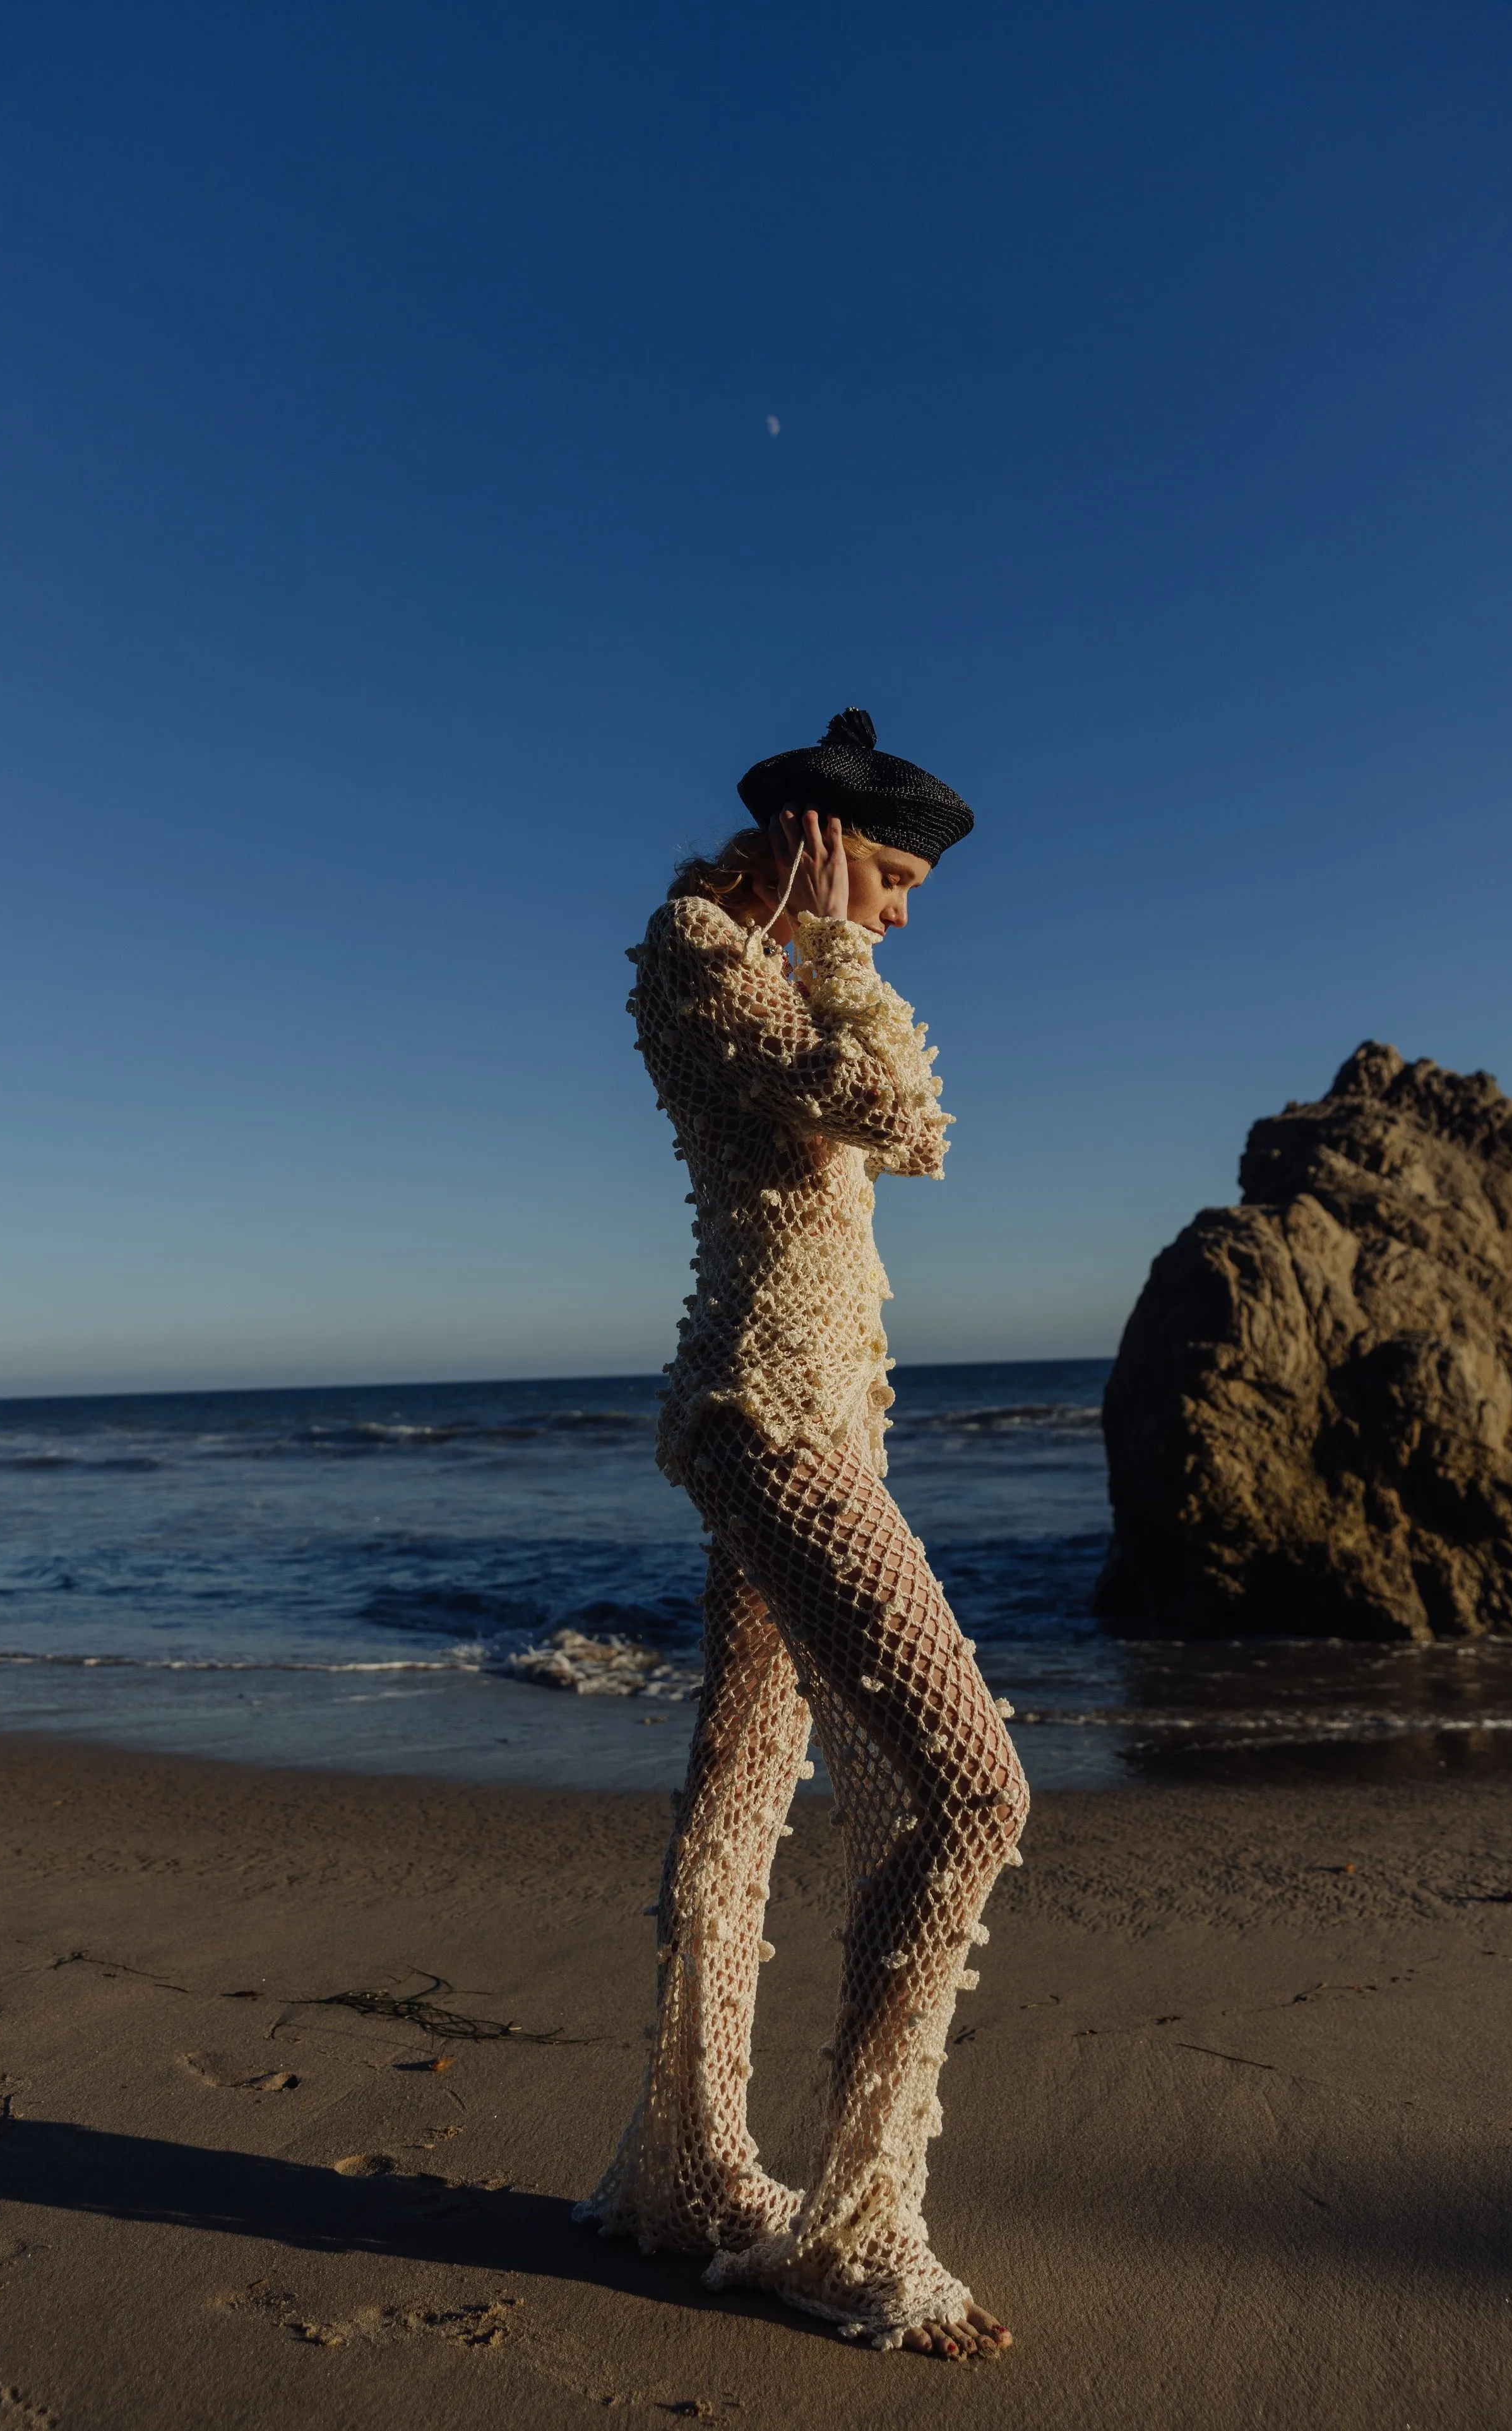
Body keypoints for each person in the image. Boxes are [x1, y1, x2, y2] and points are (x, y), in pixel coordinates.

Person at [575, 708, 1028, 2359]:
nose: (901, 915)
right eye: (890, 878)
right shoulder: (702, 960)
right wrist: (835, 942)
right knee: (975, 1790)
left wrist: (832, 934)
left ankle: (689, 2172)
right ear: (810, 841)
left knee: (749, 1784)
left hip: (822, 1416)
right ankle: (859, 2228)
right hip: (761, 1418)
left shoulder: (762, 951)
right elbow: (890, 1113)